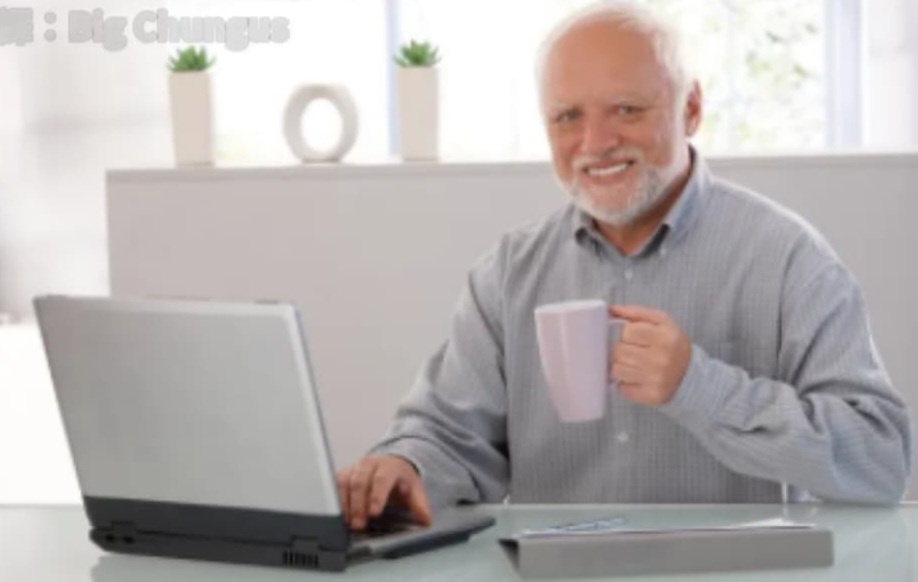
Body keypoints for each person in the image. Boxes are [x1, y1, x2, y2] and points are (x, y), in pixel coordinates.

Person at [337, 2, 913, 530]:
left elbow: (881, 463)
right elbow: (448, 438)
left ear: (691, 108)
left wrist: (699, 386)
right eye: (568, 116)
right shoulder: (508, 275)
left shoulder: (789, 259)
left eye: (627, 110)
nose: (596, 142)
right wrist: (403, 466)